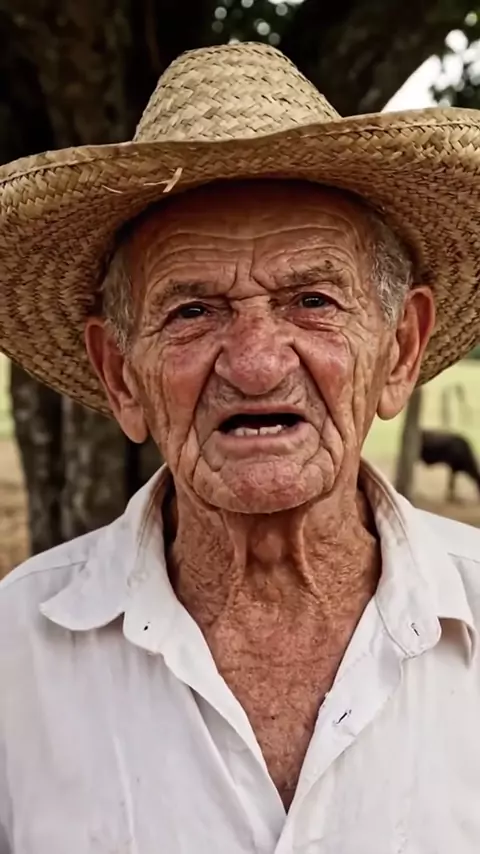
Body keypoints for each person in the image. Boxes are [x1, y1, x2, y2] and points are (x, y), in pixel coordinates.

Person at [1, 42, 480, 854]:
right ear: (121, 376)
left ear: (400, 350)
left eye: (312, 300)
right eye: (192, 311)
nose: (256, 364)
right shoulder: (14, 657)